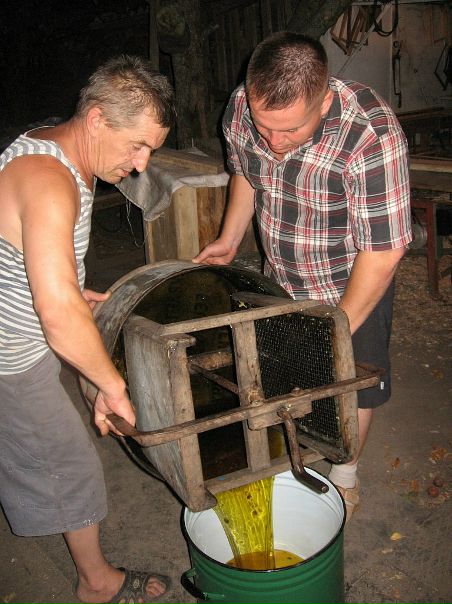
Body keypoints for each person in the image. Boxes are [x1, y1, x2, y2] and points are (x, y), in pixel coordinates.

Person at [194, 31, 412, 520]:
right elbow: (247, 171)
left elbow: (384, 251)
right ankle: (294, 455)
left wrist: (336, 325)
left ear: (325, 100)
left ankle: (345, 476)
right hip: (282, 275)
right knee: (284, 376)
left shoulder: (370, 135)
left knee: (351, 385)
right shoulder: (243, 106)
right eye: (264, 127)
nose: (274, 142)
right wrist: (230, 239)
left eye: (290, 129)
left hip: (354, 280)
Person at [0, 55, 176, 603]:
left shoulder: (55, 150)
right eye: (137, 146)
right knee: (68, 465)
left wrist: (72, 290)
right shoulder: (49, 180)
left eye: (150, 150)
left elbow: (30, 259)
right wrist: (112, 385)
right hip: (8, 354)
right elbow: (55, 315)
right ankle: (95, 584)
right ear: (97, 119)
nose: (142, 165)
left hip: (21, 328)